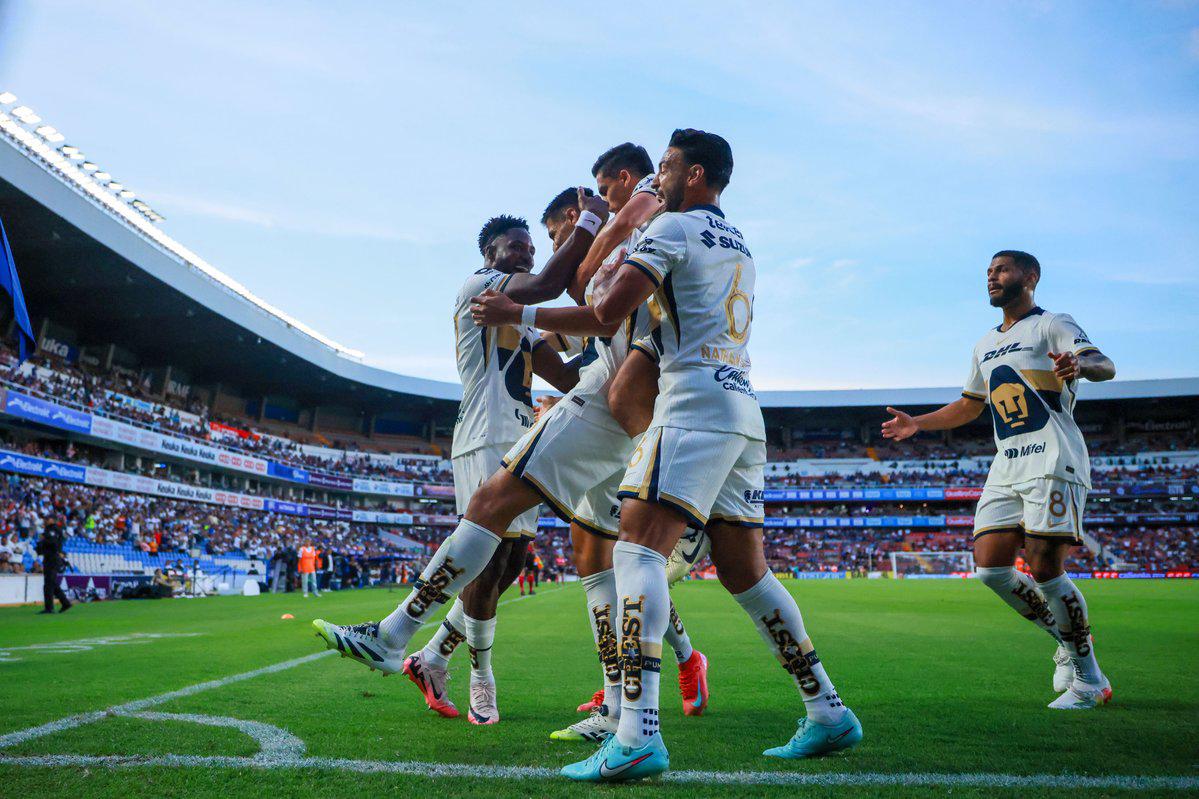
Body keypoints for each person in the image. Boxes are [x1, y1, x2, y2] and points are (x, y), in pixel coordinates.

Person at [477, 129, 862, 781]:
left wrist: (522, 312)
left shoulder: (674, 232)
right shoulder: (739, 243)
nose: (657, 179)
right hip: (742, 403)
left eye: (666, 168)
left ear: (695, 175)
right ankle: (826, 708)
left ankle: (636, 733)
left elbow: (602, 312)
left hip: (691, 402)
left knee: (631, 551)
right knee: (747, 572)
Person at [314, 192, 608, 727]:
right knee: (488, 563)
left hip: (520, 438)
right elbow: (543, 287)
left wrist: (612, 347)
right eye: (513, 248)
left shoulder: (518, 313)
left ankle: (428, 659)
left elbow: (565, 374)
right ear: (488, 254)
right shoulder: (481, 288)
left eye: (527, 247)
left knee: (510, 564)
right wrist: (590, 222)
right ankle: (478, 677)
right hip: (484, 434)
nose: (523, 254)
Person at [470, 145, 713, 742]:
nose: (556, 246)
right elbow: (572, 339)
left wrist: (588, 242)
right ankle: (644, 674)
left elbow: (596, 307)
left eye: (558, 232)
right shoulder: (604, 250)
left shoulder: (635, 239)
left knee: (620, 556)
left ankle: (654, 677)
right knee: (594, 558)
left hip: (633, 411)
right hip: (598, 407)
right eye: (553, 236)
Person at [882, 249, 1116, 710]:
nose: (991, 277)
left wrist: (1079, 366)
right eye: (988, 271)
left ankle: (1090, 680)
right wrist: (919, 424)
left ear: (1030, 277)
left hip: (1053, 458)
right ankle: (1067, 640)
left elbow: (1104, 364)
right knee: (991, 568)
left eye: (1001, 269)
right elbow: (970, 405)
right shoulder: (984, 343)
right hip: (1006, 464)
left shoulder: (1053, 324)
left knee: (1046, 569)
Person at [36, 520, 71, 614]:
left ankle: (50, 607)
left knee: (49, 584)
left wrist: (43, 540)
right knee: (51, 583)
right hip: (50, 559)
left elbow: (54, 544)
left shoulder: (52, 531)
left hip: (52, 560)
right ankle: (65, 603)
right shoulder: (53, 531)